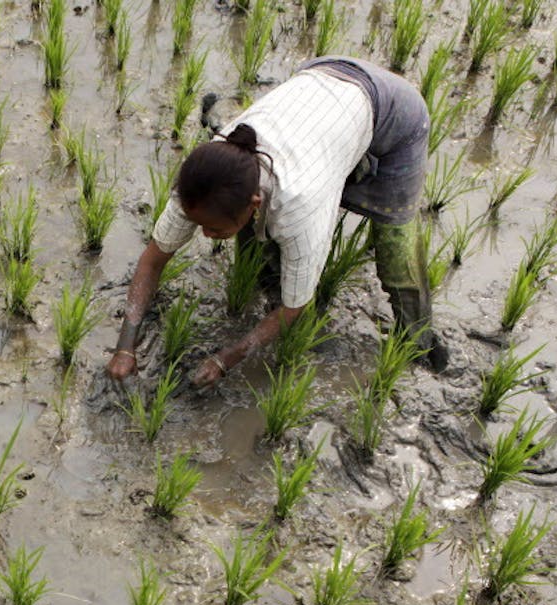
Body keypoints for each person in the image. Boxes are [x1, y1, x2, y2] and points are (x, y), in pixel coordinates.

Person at [106, 56, 449, 387]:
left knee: (394, 248)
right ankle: (271, 278)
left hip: (395, 115)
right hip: (321, 79)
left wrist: (227, 359)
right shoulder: (206, 174)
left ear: (255, 202)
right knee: (259, 240)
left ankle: (418, 341)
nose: (207, 236)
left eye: (215, 229)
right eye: (201, 226)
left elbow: (296, 306)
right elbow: (152, 260)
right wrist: (125, 346)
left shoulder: (299, 204)